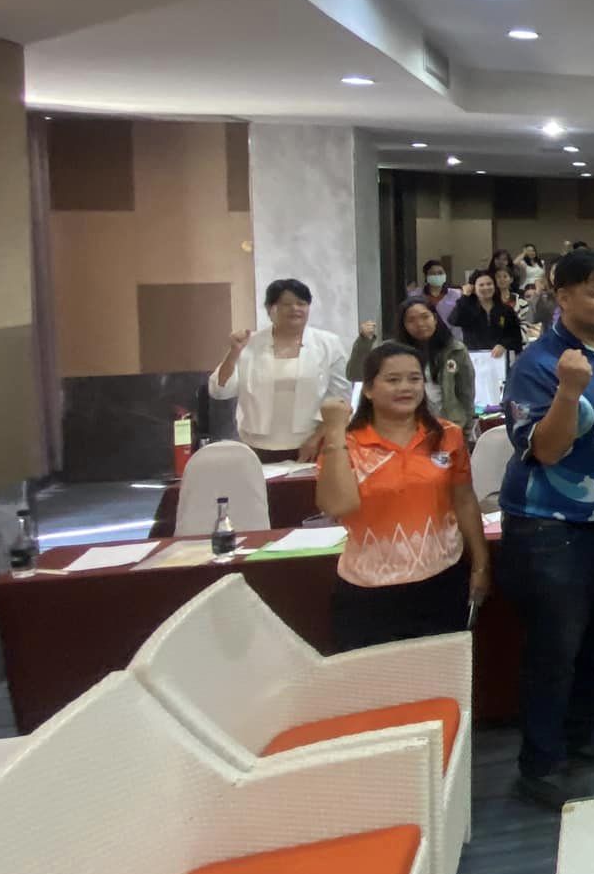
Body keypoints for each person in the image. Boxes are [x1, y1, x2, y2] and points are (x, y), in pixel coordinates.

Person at [495, 248, 594, 809]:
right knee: (553, 648)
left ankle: (585, 732)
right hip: (551, 526)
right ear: (562, 297)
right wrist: (567, 391)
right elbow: (544, 448)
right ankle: (540, 764)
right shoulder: (539, 362)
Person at [313, 344, 489, 650]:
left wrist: (481, 564)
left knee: (442, 676)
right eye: (393, 380)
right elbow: (337, 505)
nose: (405, 387)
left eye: (414, 379)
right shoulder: (348, 443)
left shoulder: (447, 435)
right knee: (377, 679)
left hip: (442, 581)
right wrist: (334, 433)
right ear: (368, 389)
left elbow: (464, 500)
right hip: (367, 591)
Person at [209, 278, 350, 462]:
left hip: (311, 446)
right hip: (256, 446)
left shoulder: (329, 344)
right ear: (270, 309)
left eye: (302, 303)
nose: (295, 309)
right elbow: (220, 391)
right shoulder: (249, 344)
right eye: (286, 304)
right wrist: (234, 352)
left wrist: (317, 438)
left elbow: (341, 400)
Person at [348, 298, 476, 428]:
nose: (420, 324)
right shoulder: (390, 351)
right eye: (411, 320)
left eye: (425, 317)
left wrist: (466, 429)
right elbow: (355, 374)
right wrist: (364, 342)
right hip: (405, 426)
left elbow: (466, 394)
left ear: (435, 319)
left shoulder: (455, 350)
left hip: (448, 426)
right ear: (403, 325)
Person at [451, 268, 523, 357]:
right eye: (481, 285)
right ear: (474, 288)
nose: (486, 287)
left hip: (501, 358)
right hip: (475, 358)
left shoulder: (506, 310)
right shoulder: (467, 308)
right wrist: (465, 296)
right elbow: (454, 320)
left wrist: (504, 345)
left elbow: (516, 337)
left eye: (489, 284)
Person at [413, 258, 462, 323]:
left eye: (440, 273)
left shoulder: (457, 294)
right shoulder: (416, 295)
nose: (437, 276)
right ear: (426, 276)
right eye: (432, 273)